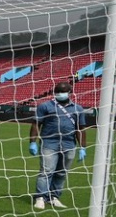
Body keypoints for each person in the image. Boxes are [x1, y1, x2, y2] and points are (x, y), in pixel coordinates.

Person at [28, 81, 88, 210]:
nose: (60, 94)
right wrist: (32, 142)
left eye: (63, 91)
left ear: (69, 93)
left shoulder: (78, 109)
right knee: (46, 171)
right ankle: (40, 197)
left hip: (69, 144)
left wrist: (83, 147)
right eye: (58, 91)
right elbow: (36, 124)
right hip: (49, 143)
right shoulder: (45, 106)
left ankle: (54, 197)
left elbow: (80, 128)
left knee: (61, 173)